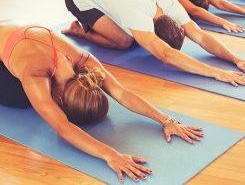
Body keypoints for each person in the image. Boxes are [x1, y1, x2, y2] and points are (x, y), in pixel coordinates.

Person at [0, 20, 204, 182]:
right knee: (22, 99)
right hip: (11, 40)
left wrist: (166, 120)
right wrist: (110, 154)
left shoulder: (83, 60)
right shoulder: (34, 72)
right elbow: (62, 126)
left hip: (12, 32)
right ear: (59, 99)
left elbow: (122, 93)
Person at [63, 0, 245, 87]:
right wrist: (217, 73)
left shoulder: (170, 4)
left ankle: (98, 21)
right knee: (124, 41)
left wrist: (236, 59)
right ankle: (79, 31)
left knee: (132, 34)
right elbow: (166, 55)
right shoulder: (136, 13)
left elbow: (200, 35)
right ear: (153, 31)